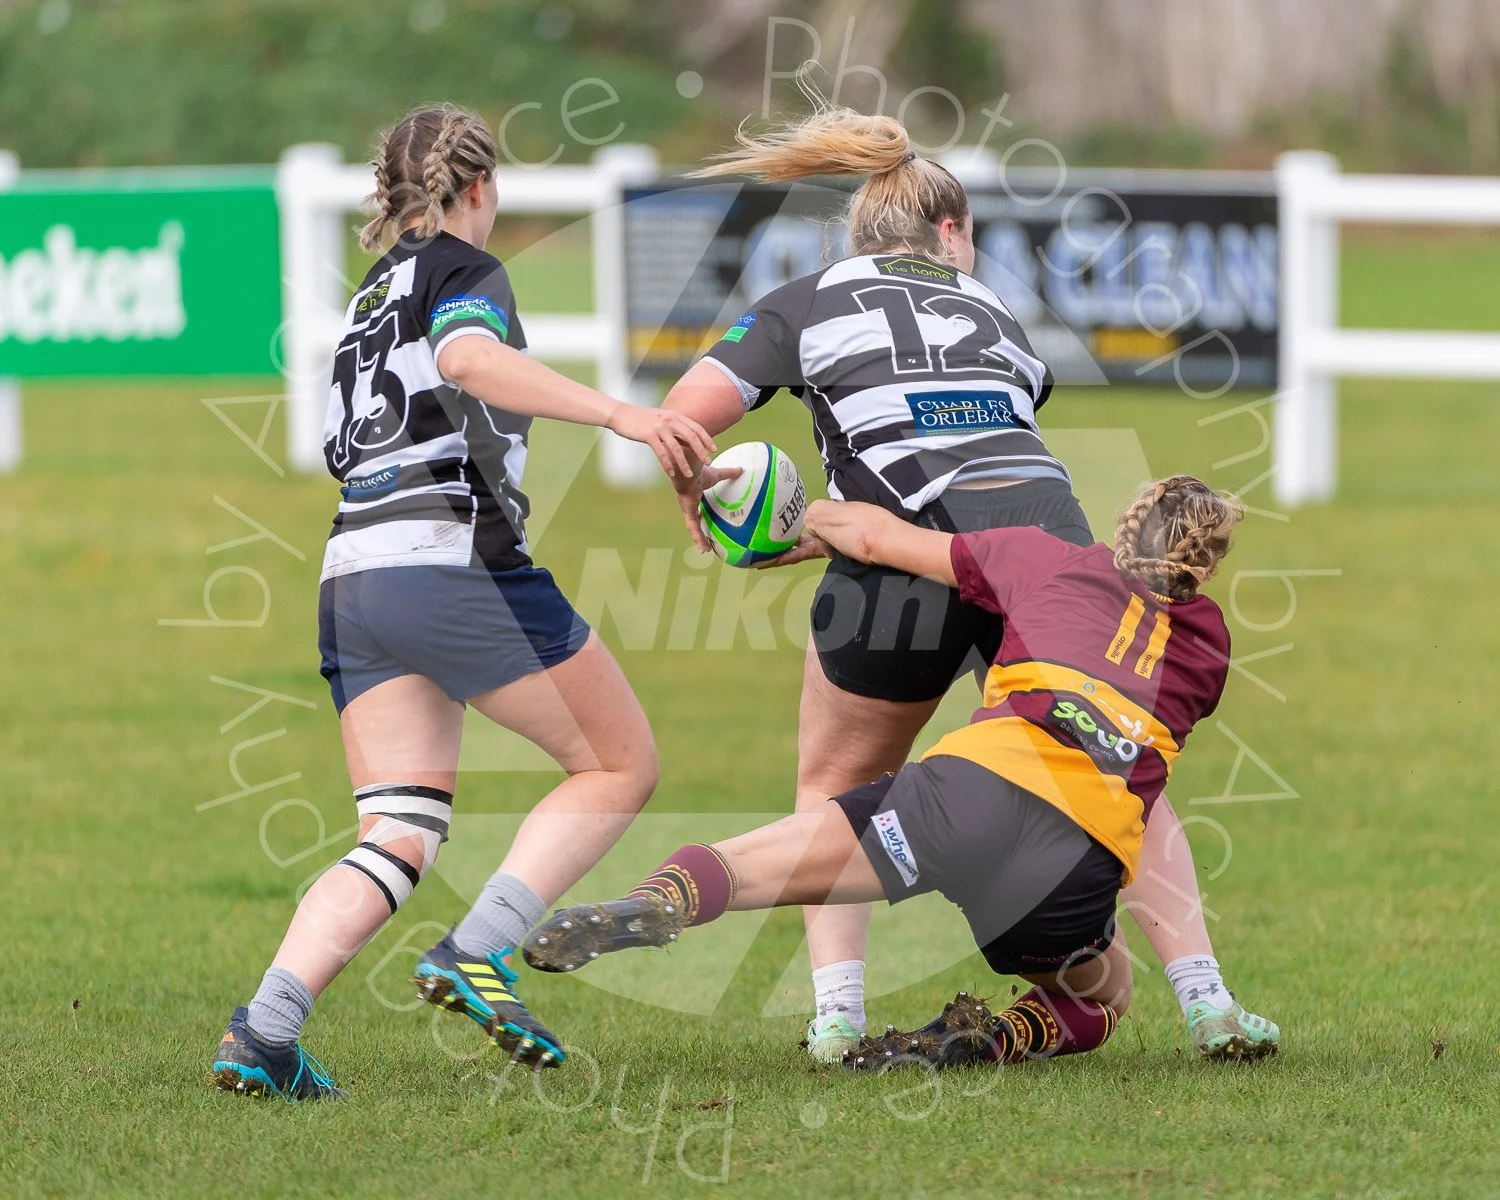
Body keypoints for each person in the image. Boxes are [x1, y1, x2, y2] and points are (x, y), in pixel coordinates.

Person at [658, 104, 1279, 1062]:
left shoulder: (804, 299)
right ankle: (1209, 1005)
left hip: (891, 563)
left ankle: (836, 1021)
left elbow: (688, 417)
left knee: (838, 782)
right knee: (1123, 766)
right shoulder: (996, 314)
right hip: (1045, 551)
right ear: (950, 232)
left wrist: (708, 493)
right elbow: (974, 455)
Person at [209, 104, 715, 1099]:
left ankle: (264, 1032)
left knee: (398, 829)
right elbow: (467, 360)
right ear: (478, 190)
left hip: (352, 574)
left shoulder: (368, 297)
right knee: (618, 764)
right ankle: (477, 952)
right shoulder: (465, 271)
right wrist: (622, 412)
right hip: (449, 561)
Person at [523, 479, 1277, 1068]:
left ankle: (659, 900)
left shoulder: (1043, 559)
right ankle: (985, 1041)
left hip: (964, 797)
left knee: (759, 865)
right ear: (1206, 565)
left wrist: (804, 520)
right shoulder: (1209, 648)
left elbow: (879, 537)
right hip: (1066, 875)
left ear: (1122, 529)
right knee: (1104, 998)